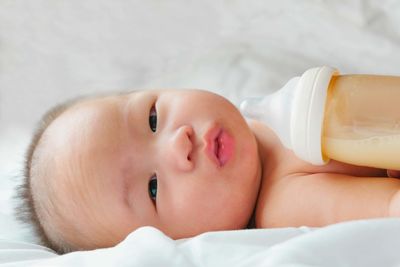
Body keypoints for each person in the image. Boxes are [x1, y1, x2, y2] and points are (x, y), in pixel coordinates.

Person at [16, 89, 400, 254]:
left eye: (152, 118)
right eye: (152, 189)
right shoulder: (286, 201)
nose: (178, 143)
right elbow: (390, 211)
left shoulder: (265, 116)